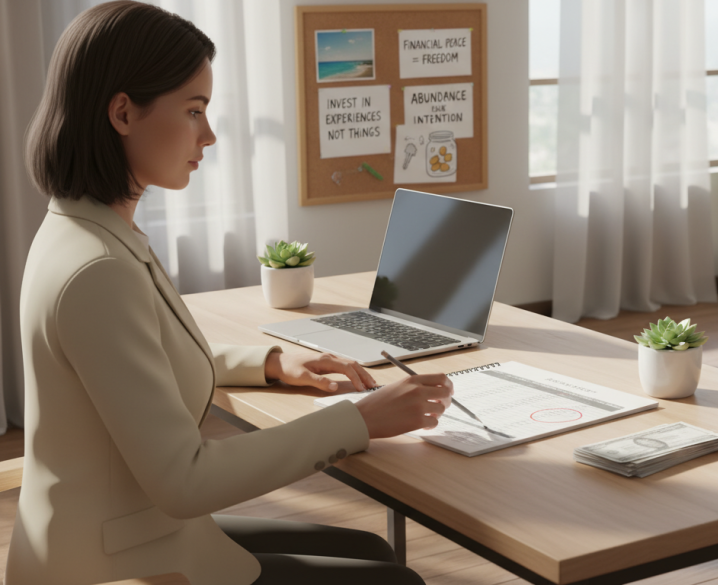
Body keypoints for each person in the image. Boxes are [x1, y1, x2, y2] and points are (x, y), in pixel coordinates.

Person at [9, 2, 453, 584]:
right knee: (396, 578)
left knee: (372, 552)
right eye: (194, 111)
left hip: (119, 530)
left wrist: (272, 362)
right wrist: (358, 420)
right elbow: (186, 480)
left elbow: (133, 361)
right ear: (122, 112)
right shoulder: (97, 268)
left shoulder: (86, 227)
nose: (209, 135)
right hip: (113, 562)